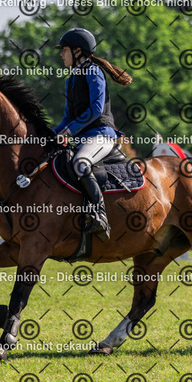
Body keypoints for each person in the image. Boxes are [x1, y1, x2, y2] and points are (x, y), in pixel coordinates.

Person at [53, 28, 132, 241]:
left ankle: (100, 215)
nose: (61, 54)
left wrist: (69, 131)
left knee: (81, 163)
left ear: (78, 51)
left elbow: (96, 110)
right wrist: (48, 135)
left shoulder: (93, 72)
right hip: (82, 139)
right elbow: (67, 118)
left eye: (65, 50)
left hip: (101, 136)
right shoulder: (71, 79)